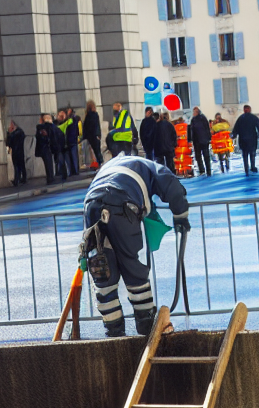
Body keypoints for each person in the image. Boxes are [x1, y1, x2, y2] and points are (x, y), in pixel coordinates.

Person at [81, 154, 189, 337]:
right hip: (121, 204)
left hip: (92, 204)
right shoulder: (149, 167)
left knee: (102, 268)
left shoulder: (112, 166)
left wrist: (87, 250)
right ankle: (146, 324)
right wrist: (181, 216)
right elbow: (173, 187)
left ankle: (114, 332)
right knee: (131, 266)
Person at [231, 105, 259, 175]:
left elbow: (236, 129)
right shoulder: (253, 118)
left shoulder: (241, 118)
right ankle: (252, 167)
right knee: (252, 154)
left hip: (243, 139)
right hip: (252, 139)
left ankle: (246, 168)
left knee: (245, 154)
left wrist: (233, 135)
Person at [189, 106, 212, 177]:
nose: (193, 113)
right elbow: (191, 130)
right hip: (197, 141)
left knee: (206, 156)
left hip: (203, 140)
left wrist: (208, 138)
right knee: (198, 156)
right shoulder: (193, 120)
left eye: (194, 112)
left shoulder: (202, 118)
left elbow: (207, 128)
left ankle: (208, 170)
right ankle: (202, 170)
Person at [35, 114, 56, 184]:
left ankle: (50, 177)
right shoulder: (45, 127)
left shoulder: (41, 128)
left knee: (48, 163)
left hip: (44, 148)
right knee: (48, 163)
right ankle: (50, 177)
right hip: (45, 147)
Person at [60, 108, 80, 178]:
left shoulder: (70, 121)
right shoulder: (74, 120)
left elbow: (63, 128)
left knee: (72, 156)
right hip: (72, 140)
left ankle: (73, 171)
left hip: (70, 141)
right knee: (73, 156)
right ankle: (75, 170)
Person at [6, 121, 27, 186]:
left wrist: (9, 134)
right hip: (18, 151)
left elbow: (9, 142)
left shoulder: (17, 133)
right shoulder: (20, 132)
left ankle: (18, 180)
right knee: (20, 166)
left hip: (17, 151)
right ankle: (22, 178)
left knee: (17, 166)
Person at [83, 100, 103, 167]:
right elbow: (97, 125)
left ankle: (97, 163)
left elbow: (86, 127)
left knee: (93, 151)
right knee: (97, 150)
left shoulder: (88, 116)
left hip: (90, 136)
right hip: (95, 135)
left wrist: (84, 136)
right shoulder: (95, 114)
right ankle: (100, 163)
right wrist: (99, 134)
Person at [52, 110, 69, 180]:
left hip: (60, 144)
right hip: (61, 144)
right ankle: (61, 173)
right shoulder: (58, 125)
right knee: (60, 160)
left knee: (60, 160)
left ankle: (62, 173)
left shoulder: (57, 126)